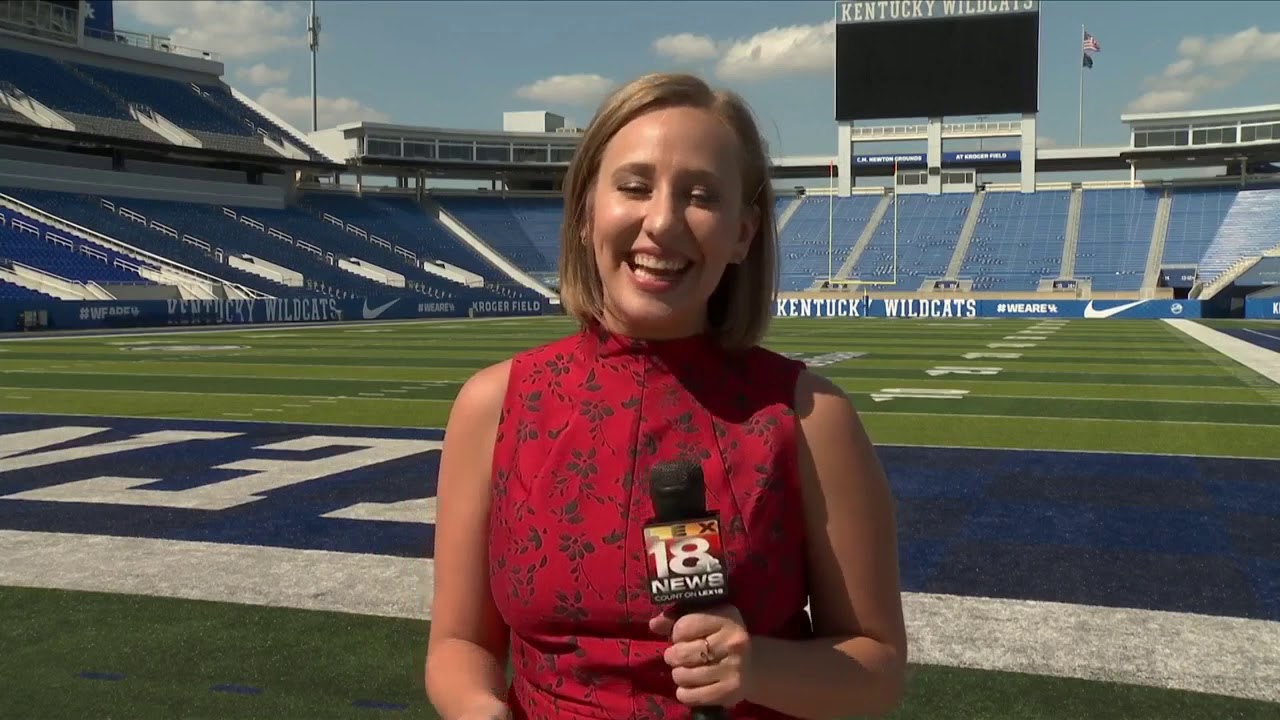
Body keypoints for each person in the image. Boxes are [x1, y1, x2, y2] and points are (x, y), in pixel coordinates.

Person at [426, 72, 907, 720]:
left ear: (743, 233)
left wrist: (755, 666)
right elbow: (459, 644)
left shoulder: (810, 419)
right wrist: (480, 710)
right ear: (587, 208)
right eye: (634, 186)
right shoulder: (493, 405)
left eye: (701, 195)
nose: (662, 222)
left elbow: (875, 674)